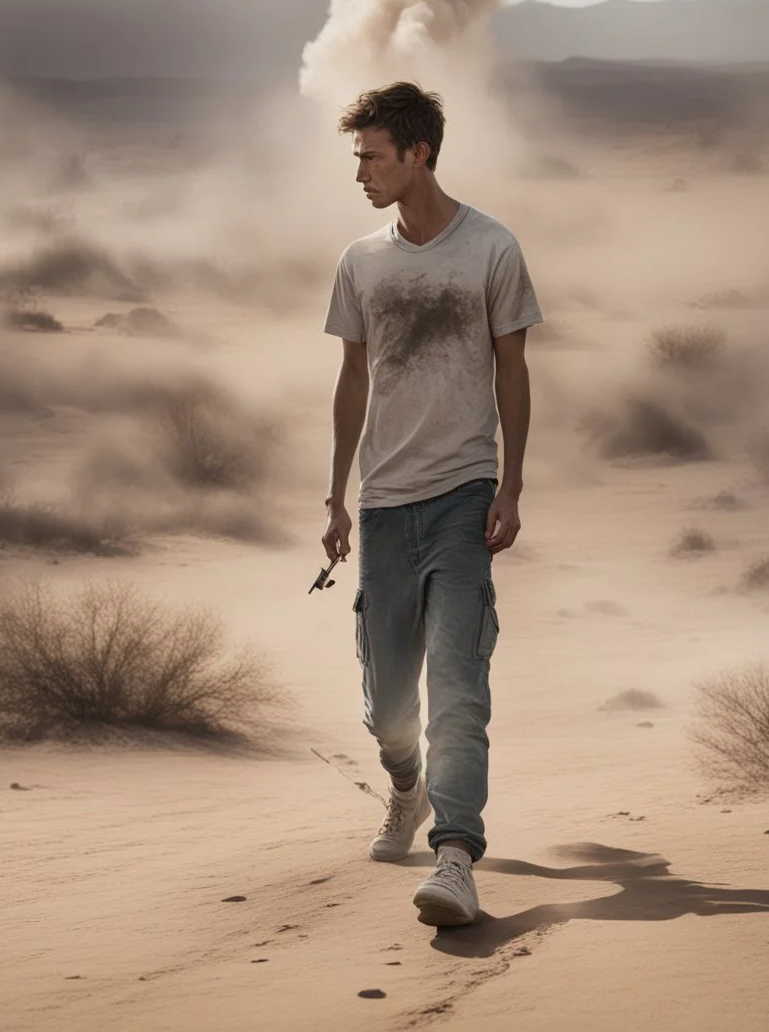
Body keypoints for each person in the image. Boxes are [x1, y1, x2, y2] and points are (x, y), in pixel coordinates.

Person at [321, 81, 542, 927]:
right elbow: (351, 379)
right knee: (388, 702)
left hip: (462, 492)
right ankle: (406, 786)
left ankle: (455, 854)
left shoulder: (491, 248)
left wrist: (510, 485)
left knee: (456, 680)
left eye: (373, 156)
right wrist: (336, 497)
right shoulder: (360, 260)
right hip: (383, 503)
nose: (362, 173)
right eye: (358, 158)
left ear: (419, 154)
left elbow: (513, 372)